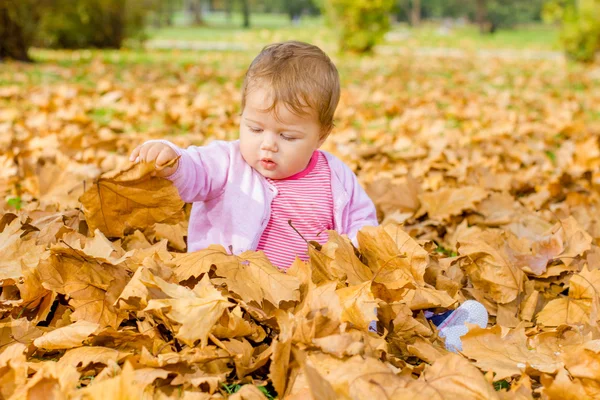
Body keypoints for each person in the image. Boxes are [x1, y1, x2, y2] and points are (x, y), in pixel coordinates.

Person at [129, 40, 487, 351]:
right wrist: (170, 160)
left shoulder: (334, 177)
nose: (267, 144)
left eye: (288, 137)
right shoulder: (227, 161)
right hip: (236, 290)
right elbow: (194, 173)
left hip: (312, 293)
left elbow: (363, 227)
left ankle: (436, 325)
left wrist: (349, 253)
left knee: (367, 304)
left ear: (321, 135)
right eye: (255, 128)